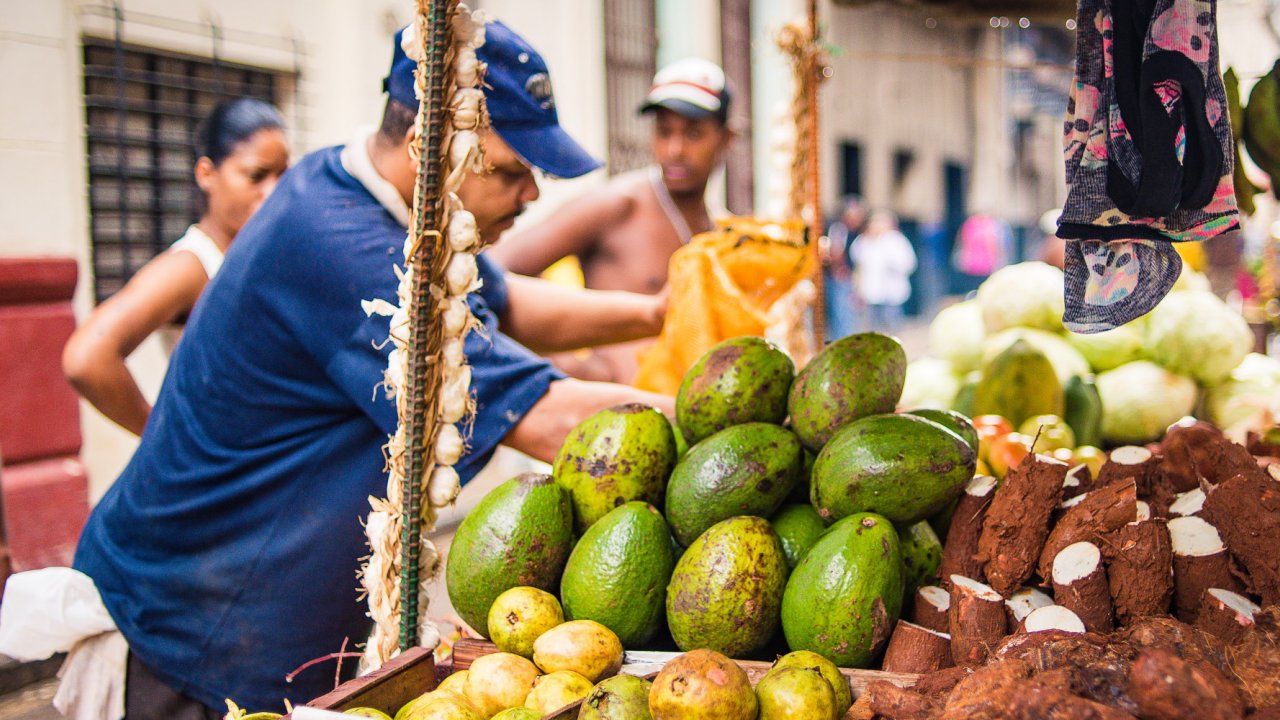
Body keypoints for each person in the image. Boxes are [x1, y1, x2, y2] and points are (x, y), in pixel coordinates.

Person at [62, 20, 672, 716]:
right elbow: (553, 419)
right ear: (432, 145)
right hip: (184, 646)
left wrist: (653, 311)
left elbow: (515, 302)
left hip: (259, 641)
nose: (531, 195)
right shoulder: (338, 242)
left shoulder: (384, 206)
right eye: (511, 169)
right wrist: (732, 420)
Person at [487, 57, 733, 383]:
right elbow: (492, 273)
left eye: (693, 134)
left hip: (686, 417)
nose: (674, 149)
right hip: (610, 418)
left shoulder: (720, 229)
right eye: (664, 132)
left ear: (726, 140)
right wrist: (566, 365)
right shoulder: (618, 204)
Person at [62, 99, 289, 436]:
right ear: (206, 174)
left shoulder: (251, 255)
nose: (272, 191)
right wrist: (165, 441)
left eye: (282, 175)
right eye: (256, 175)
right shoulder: (192, 265)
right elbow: (87, 358)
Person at [850, 210, 917, 333]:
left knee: (891, 327)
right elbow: (858, 266)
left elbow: (908, 264)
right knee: (873, 329)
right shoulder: (864, 241)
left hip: (891, 294)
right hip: (871, 294)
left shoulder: (896, 241)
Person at [823, 196, 865, 340]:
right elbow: (836, 251)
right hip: (839, 278)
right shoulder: (839, 228)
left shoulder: (851, 232)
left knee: (846, 314)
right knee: (841, 314)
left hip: (844, 277)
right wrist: (840, 271)